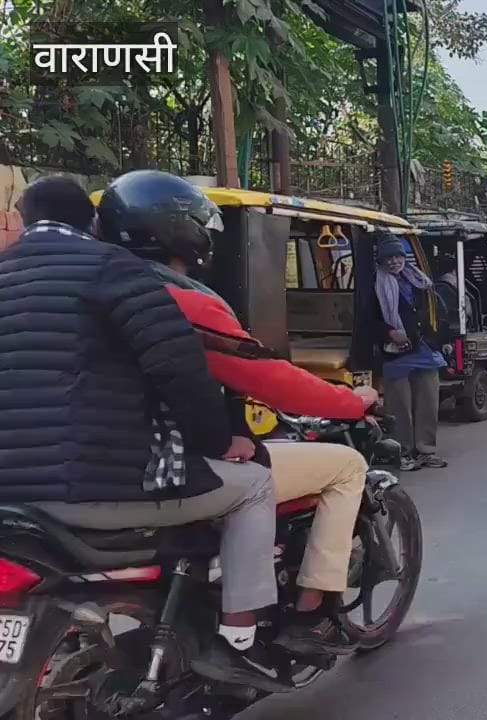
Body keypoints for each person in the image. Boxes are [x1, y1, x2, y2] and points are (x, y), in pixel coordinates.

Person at [0, 176, 286, 691]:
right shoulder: (116, 270)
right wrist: (222, 442)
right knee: (254, 487)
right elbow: (179, 371)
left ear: (21, 220)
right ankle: (241, 642)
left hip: (12, 503)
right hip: (96, 489)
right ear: (92, 224)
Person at [95, 170, 383, 664]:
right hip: (156, 467)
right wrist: (354, 401)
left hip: (75, 468)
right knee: (343, 466)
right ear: (183, 232)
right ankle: (306, 614)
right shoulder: (176, 297)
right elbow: (265, 378)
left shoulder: (80, 287)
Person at [374, 234, 448, 470]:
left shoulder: (418, 280)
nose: (395, 262)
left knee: (428, 401)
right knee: (399, 407)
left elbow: (433, 312)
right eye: (389, 259)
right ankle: (402, 452)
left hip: (424, 348)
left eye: (397, 256)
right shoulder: (375, 284)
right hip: (395, 352)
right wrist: (389, 333)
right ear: (381, 261)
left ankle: (426, 450)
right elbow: (368, 320)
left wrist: (438, 338)